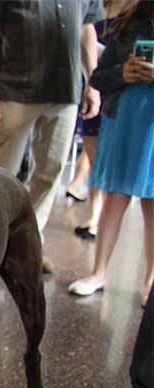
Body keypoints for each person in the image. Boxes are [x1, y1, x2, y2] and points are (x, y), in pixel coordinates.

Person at [0, 0, 104, 272]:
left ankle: (29, 247)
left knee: (51, 172)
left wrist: (93, 83)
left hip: (66, 90)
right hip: (15, 89)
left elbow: (87, 28)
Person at [68, 0, 154, 307]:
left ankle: (149, 283)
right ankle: (98, 272)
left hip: (150, 128)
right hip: (123, 121)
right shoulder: (128, 23)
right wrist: (124, 73)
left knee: (152, 204)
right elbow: (99, 77)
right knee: (114, 198)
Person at [67, 0, 135, 241]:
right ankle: (93, 213)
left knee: (105, 159)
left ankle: (97, 216)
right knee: (92, 150)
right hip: (93, 80)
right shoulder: (96, 5)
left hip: (119, 89)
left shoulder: (135, 9)